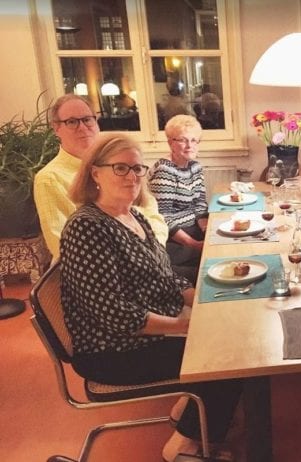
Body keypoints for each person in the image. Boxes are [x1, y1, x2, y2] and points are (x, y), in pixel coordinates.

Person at [59, 133, 241, 461]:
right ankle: (182, 448)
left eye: (137, 168)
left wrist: (202, 301)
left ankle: (190, 411)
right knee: (227, 355)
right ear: (94, 173)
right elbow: (116, 315)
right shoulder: (86, 227)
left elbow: (167, 277)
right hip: (112, 349)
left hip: (146, 330)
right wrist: (184, 327)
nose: (132, 176)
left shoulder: (133, 215)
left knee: (228, 330)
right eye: (120, 168)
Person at [34, 94, 168, 261]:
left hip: (151, 253)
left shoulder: (118, 162)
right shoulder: (49, 178)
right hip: (104, 269)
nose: (82, 128)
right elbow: (62, 246)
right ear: (56, 128)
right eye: (72, 122)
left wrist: (154, 248)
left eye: (87, 119)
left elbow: (150, 210)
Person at [149, 115, 208, 283]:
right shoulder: (164, 170)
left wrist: (205, 231)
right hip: (174, 240)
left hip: (193, 230)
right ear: (170, 143)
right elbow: (163, 217)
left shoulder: (195, 166)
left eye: (194, 140)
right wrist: (195, 244)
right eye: (183, 140)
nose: (190, 145)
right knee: (211, 268)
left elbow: (200, 204)